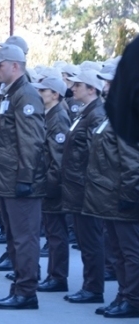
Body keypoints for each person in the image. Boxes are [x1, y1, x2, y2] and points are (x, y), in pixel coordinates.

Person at [0, 44, 46, 310]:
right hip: (5, 177)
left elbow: (31, 141)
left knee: (24, 238)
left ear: (15, 66)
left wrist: (26, 178)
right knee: (14, 237)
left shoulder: (26, 95)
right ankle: (20, 288)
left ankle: (26, 292)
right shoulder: (9, 94)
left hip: (20, 180)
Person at [83, 65, 139, 319]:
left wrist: (129, 194)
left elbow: (131, 160)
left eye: (109, 81)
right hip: (109, 194)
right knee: (117, 250)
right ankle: (124, 295)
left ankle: (134, 299)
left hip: (121, 195)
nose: (106, 86)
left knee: (130, 251)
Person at [60, 69, 107, 304]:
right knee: (85, 238)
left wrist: (86, 183)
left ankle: (93, 288)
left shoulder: (96, 114)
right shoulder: (85, 113)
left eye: (79, 85)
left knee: (91, 239)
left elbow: (94, 155)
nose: (73, 88)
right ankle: (90, 286)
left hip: (85, 186)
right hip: (76, 184)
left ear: (92, 89)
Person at [31, 76, 71, 293]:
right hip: (44, 181)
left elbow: (57, 158)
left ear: (55, 94)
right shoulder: (47, 115)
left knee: (56, 234)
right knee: (52, 231)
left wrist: (52, 188)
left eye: (43, 91)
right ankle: (53, 275)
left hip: (51, 184)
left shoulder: (58, 118)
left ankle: (58, 277)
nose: (38, 94)